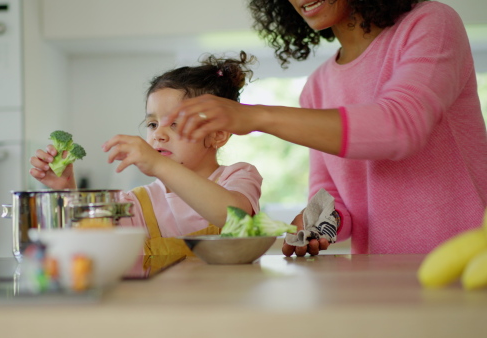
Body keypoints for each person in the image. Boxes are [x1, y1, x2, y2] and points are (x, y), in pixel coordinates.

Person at [159, 0, 487, 256]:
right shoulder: (317, 88)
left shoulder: (431, 23)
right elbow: (333, 202)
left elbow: (399, 128)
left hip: (467, 260)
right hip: (379, 276)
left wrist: (255, 116)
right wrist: (316, 227)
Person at [29, 52, 263, 256]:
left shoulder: (239, 177)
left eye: (175, 124)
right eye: (152, 124)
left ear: (218, 135)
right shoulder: (138, 203)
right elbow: (89, 241)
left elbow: (235, 218)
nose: (158, 134)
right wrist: (65, 189)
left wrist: (159, 165)